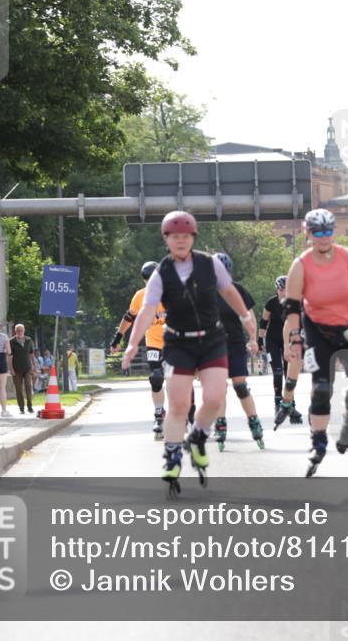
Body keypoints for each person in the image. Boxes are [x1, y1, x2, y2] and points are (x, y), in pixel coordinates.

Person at [122, 211, 256, 496]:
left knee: (214, 397)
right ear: (166, 240)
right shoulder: (162, 272)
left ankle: (198, 437)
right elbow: (146, 311)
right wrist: (133, 343)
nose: (180, 241)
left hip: (212, 340)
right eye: (174, 237)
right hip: (178, 343)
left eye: (185, 236)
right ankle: (172, 457)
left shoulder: (209, 265)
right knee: (180, 403)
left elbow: (230, 292)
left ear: (193, 238)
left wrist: (246, 317)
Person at [283, 208, 348, 477]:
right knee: (321, 388)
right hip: (318, 330)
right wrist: (295, 339)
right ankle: (318, 440)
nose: (323, 237)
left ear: (334, 231)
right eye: (317, 232)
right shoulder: (301, 264)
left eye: (328, 231)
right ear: (307, 233)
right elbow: (292, 307)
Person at [111, 261, 169, 438]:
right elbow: (129, 317)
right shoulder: (140, 296)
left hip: (175, 341)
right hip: (154, 341)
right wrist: (117, 338)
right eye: (146, 281)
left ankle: (188, 413)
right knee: (156, 377)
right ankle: (159, 414)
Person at [212, 252, 263, 451]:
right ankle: (221, 424)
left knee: (240, 386)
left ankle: (254, 421)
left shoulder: (238, 290)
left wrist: (252, 338)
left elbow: (249, 317)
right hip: (213, 346)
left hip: (234, 343)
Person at [261, 275, 304, 428]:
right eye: (280, 290)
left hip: (289, 340)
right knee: (278, 372)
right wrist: (260, 341)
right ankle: (277, 404)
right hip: (272, 341)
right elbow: (263, 322)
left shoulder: (295, 303)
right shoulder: (271, 303)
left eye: (286, 290)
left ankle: (291, 406)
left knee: (289, 375)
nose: (283, 293)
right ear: (277, 289)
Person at [9, 324, 35, 415]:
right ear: (15, 331)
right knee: (18, 388)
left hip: (27, 367)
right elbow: (10, 356)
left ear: (24, 330)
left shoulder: (29, 340)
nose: (20, 332)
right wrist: (11, 368)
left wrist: (34, 365)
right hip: (16, 368)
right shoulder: (12, 341)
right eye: (18, 330)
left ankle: (30, 406)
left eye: (21, 330)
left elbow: (31, 353)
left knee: (28, 385)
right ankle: (21, 407)